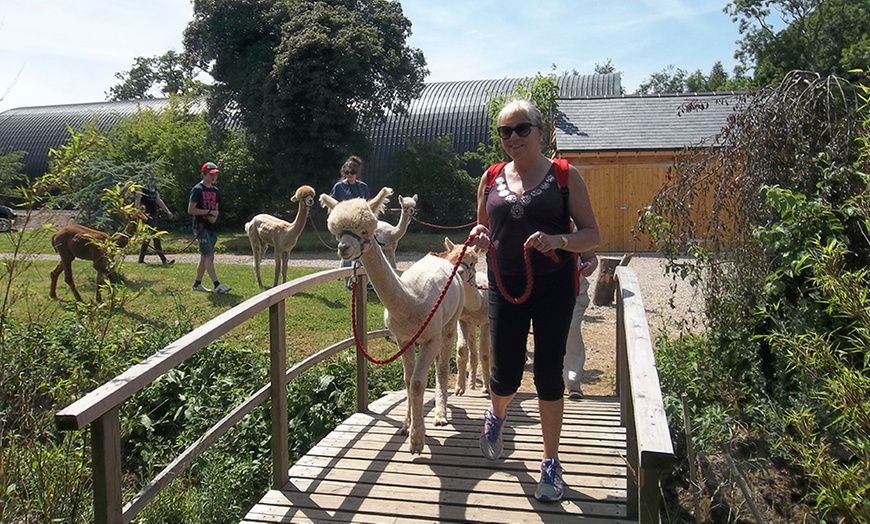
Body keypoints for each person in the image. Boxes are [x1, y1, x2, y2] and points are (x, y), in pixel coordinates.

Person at [467, 99, 600, 503]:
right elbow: (484, 226)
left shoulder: (565, 176)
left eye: (521, 129)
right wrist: (480, 237)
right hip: (504, 287)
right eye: (505, 132)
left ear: (542, 132)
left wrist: (559, 240)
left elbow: (592, 235)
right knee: (504, 373)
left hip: (555, 288)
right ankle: (498, 414)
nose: (512, 138)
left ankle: (551, 462)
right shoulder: (490, 178)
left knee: (547, 375)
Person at [188, 161, 231, 294]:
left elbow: (215, 209)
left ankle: (197, 284)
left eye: (215, 174)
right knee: (209, 256)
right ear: (204, 174)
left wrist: (214, 216)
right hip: (200, 227)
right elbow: (191, 210)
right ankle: (217, 285)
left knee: (204, 257)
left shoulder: (215, 191)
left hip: (211, 226)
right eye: (211, 174)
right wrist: (207, 213)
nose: (214, 177)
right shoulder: (197, 190)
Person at [328, 155, 370, 290]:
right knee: (346, 251)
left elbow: (367, 206)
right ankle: (348, 282)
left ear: (356, 173)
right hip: (346, 227)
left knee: (362, 252)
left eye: (352, 173)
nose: (349, 176)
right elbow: (333, 204)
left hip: (359, 226)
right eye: (346, 173)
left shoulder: (362, 187)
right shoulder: (339, 187)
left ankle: (365, 281)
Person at [564, 251, 599, 400]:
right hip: (537, 291)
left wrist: (589, 266)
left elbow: (591, 257)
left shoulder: (577, 227)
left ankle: (573, 383)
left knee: (571, 332)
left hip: (576, 292)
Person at [135, 183, 175, 265]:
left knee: (148, 238)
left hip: (153, 215)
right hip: (146, 216)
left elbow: (158, 200)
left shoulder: (153, 186)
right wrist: (139, 214)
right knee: (155, 237)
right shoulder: (141, 186)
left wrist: (167, 211)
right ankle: (164, 260)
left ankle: (141, 259)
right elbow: (137, 202)